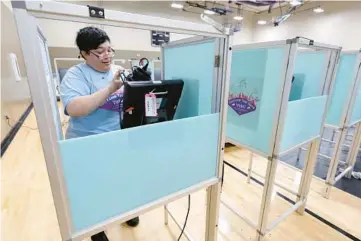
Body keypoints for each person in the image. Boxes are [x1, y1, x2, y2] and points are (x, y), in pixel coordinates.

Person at [60, 26, 139, 241]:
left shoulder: (118, 70)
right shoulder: (75, 75)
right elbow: (75, 108)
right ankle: (96, 229)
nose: (108, 56)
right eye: (100, 52)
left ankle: (125, 211)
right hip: (87, 142)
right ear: (85, 54)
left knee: (121, 180)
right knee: (92, 190)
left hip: (117, 139)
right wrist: (110, 89)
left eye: (110, 50)